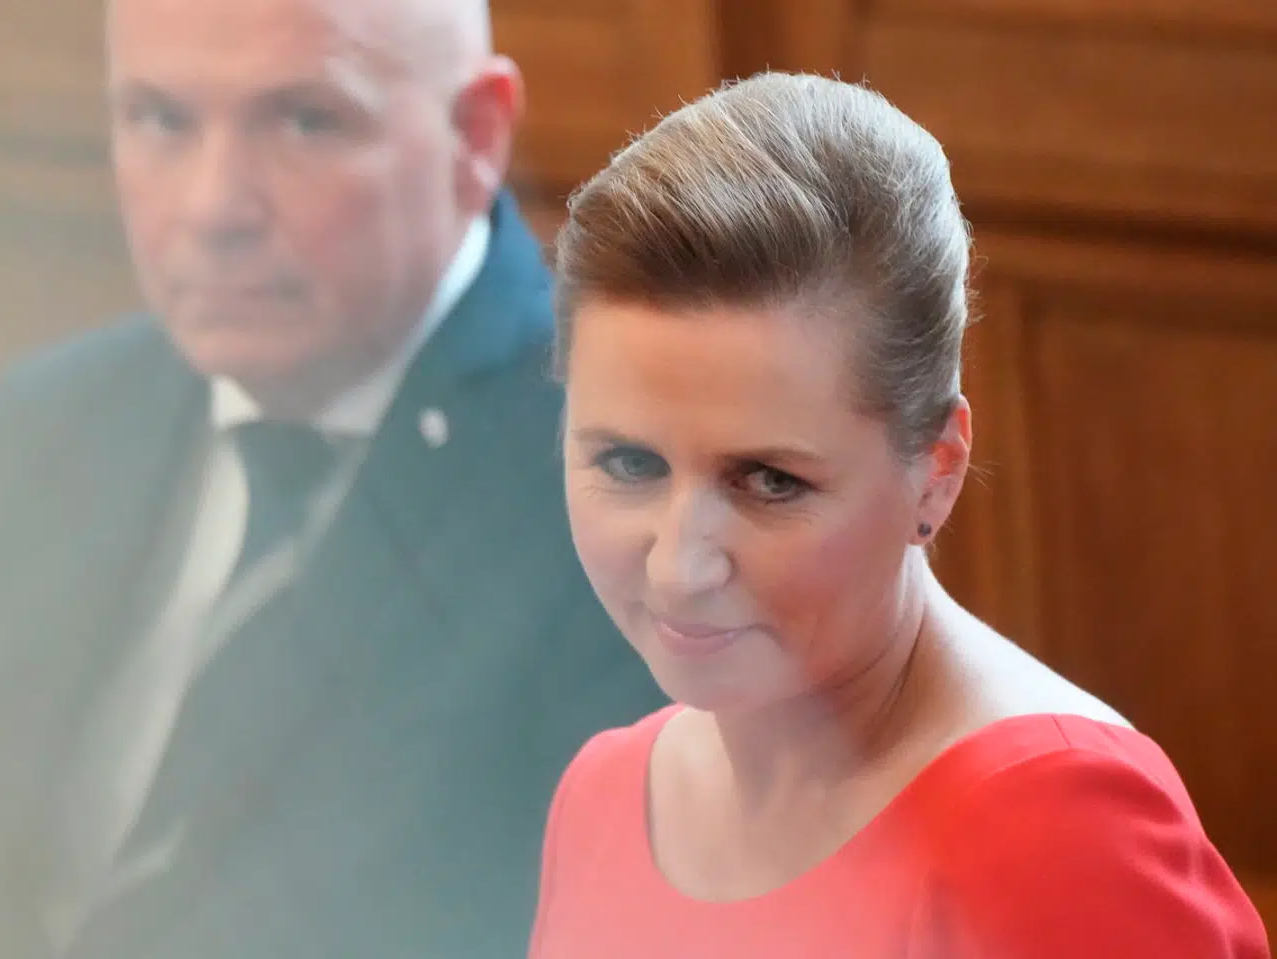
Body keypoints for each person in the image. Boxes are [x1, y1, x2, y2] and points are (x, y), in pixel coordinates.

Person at [0, 0, 663, 957]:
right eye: (160, 119)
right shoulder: (42, 423)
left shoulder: (622, 500)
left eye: (305, 121)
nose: (212, 209)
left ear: (475, 135)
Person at [527, 72, 1270, 958]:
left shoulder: (1057, 833)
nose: (678, 569)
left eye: (769, 481)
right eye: (628, 463)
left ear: (937, 473)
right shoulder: (603, 797)